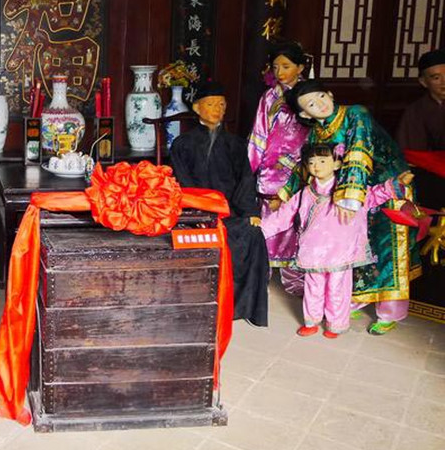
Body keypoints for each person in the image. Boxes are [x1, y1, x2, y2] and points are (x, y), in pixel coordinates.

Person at [281, 80, 421, 334]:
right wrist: (285, 193)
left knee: (387, 249)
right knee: (356, 248)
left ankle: (390, 311)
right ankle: (353, 300)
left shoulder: (356, 114)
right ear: (305, 114)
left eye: (321, 96)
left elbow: (358, 151)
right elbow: (306, 165)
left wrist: (349, 198)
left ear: (330, 93)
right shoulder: (317, 132)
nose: (320, 104)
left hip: (385, 186)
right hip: (350, 194)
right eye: (311, 104)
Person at [262, 143, 413, 338]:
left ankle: (336, 324)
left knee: (338, 289)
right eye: (311, 162)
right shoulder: (305, 193)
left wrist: (395, 185)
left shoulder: (350, 192)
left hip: (341, 251)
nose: (316, 166)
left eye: (322, 161)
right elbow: (283, 216)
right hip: (314, 250)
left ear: (336, 164)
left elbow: (374, 195)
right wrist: (260, 230)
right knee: (313, 287)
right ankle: (311, 321)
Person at [170, 80, 270, 326]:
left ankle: (243, 307)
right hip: (195, 213)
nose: (218, 109)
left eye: (222, 105)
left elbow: (245, 180)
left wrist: (249, 211)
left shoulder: (236, 144)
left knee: (253, 234)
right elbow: (182, 182)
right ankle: (198, 305)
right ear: (197, 108)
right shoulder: (182, 144)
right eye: (211, 104)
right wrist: (198, 211)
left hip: (230, 212)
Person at [247, 41, 311, 295]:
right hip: (272, 166)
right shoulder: (269, 97)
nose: (280, 72)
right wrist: (251, 167)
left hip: (303, 166)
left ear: (301, 67)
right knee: (268, 218)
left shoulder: (311, 94)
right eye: (276, 67)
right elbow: (259, 134)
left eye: (286, 66)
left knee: (299, 220)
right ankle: (262, 271)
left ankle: (295, 276)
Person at [396, 48, 445, 151]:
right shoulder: (414, 111)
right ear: (423, 82)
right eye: (436, 78)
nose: (443, 82)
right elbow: (411, 151)